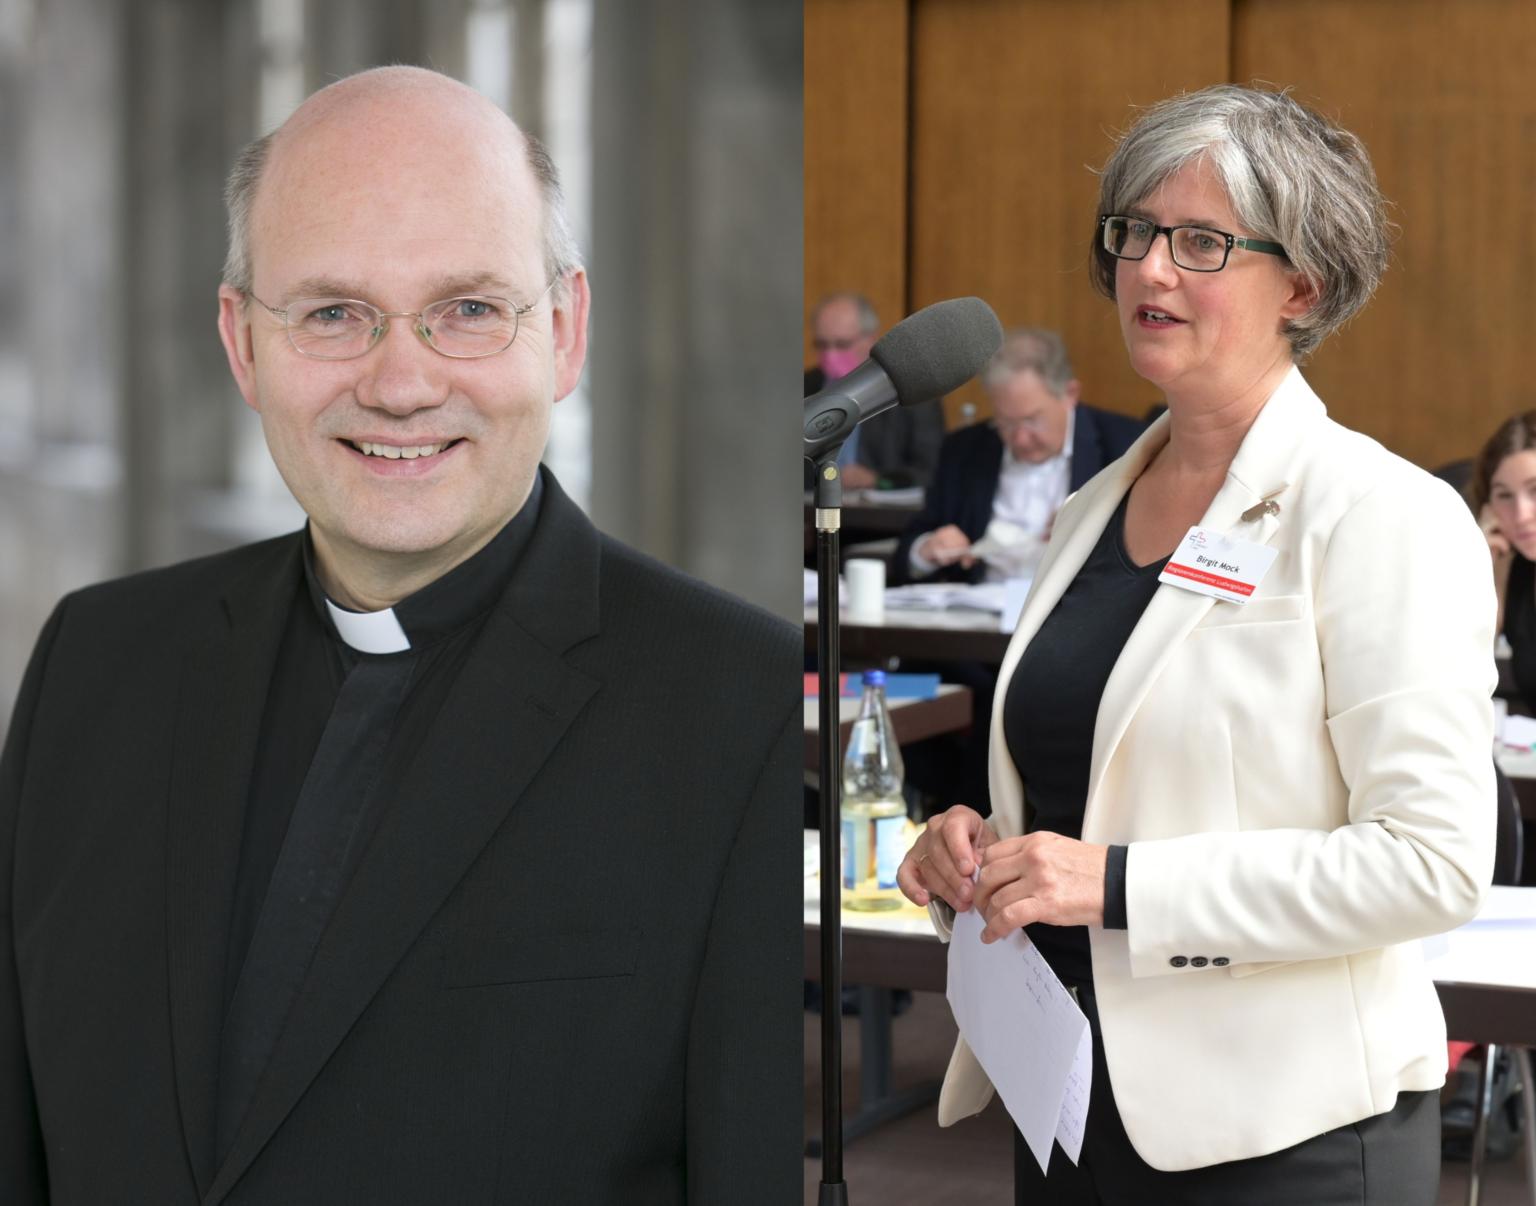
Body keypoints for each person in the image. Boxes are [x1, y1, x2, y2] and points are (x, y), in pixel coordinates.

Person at [0, 67, 798, 1205]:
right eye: (333, 313)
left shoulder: (740, 711)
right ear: (243, 345)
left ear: (563, 333)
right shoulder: (96, 662)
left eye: (468, 310)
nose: (402, 382)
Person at [897, 84, 1494, 1204]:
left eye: (1202, 242)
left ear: (1303, 287)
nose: (1151, 270)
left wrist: (1111, 885)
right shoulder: (1085, 515)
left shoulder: (1378, 512)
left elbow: (1430, 861)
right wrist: (978, 855)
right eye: (1134, 232)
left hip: (1284, 1133)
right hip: (1069, 1101)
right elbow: (1089, 797)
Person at [892, 328, 1143, 585]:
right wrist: (926, 550)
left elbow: (1148, 550)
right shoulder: (964, 449)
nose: (1021, 438)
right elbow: (909, 549)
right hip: (978, 611)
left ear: (1070, 394)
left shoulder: (1128, 446)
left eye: (1032, 420)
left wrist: (1087, 532)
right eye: (1006, 423)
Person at [805, 291, 944, 489]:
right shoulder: (803, 388)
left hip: (880, 516)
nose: (830, 355)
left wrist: (875, 479)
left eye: (841, 344)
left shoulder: (912, 391)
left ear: (870, 339)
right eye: (822, 344)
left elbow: (931, 471)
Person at [1472, 411, 1536, 701]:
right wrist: (1482, 567)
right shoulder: (1517, 569)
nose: (1521, 516)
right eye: (1505, 496)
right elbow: (1464, 669)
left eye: (1534, 491)